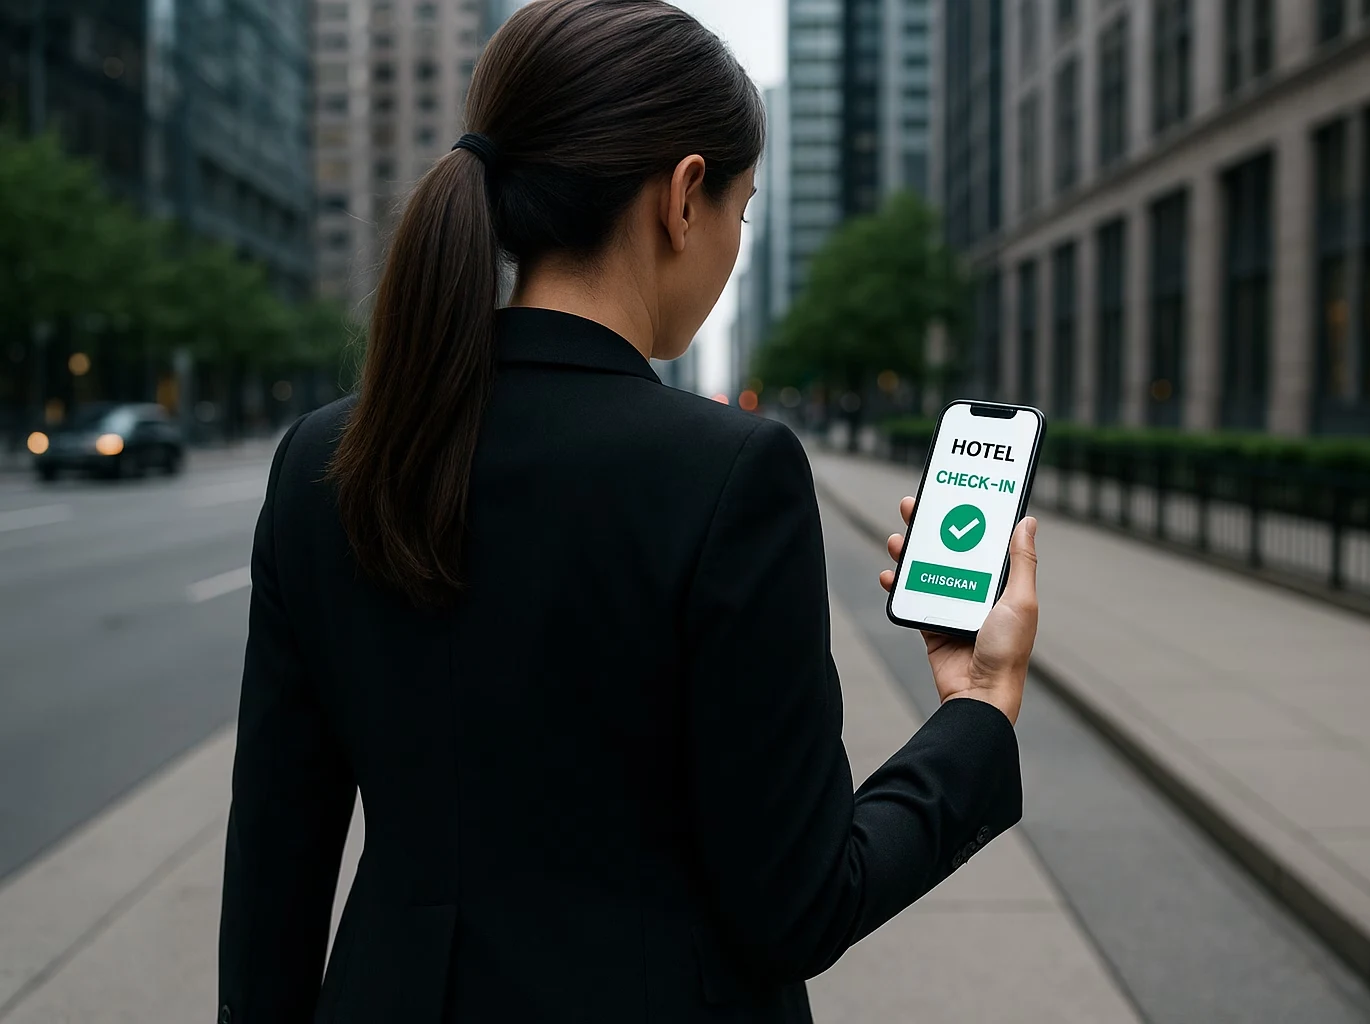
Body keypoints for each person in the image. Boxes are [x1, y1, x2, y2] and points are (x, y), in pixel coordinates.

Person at [216, 1, 1040, 1021]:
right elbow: (799, 903)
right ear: (684, 197)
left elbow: (270, 891)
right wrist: (977, 713)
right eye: (743, 205)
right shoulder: (732, 474)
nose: (736, 239)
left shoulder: (324, 459)